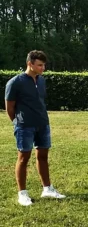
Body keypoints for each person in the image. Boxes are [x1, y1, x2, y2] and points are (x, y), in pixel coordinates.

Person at [4, 50, 66, 206]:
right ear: (29, 64)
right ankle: (22, 194)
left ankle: (47, 189)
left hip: (43, 124)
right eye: (39, 65)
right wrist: (18, 122)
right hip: (24, 126)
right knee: (23, 158)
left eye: (44, 65)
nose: (43, 68)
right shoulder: (15, 82)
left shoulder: (42, 80)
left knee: (43, 156)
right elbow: (9, 108)